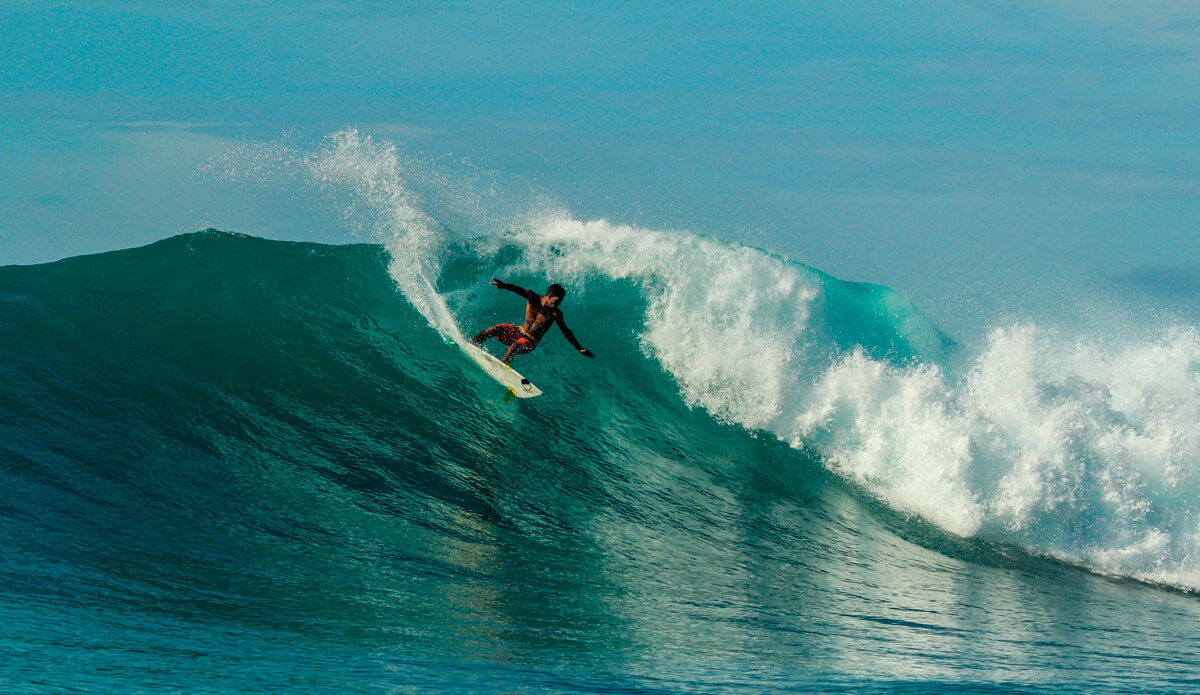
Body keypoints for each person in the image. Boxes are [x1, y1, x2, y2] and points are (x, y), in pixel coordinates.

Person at [472, 278, 595, 364]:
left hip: (530, 341)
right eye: (558, 300)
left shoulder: (555, 314)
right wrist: (504, 286)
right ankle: (471, 344)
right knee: (496, 329)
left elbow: (566, 331)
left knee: (515, 346)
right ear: (550, 296)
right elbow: (517, 289)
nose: (559, 303)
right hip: (519, 331)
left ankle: (502, 366)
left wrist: (579, 347)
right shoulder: (533, 297)